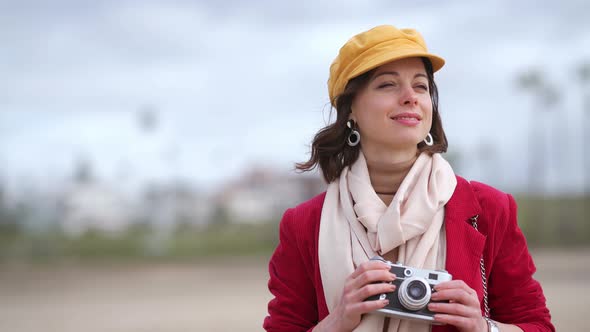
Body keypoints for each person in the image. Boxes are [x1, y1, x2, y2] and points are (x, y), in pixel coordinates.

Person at [263, 25, 554, 332]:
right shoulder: (305, 224)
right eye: (388, 85)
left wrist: (484, 328)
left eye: (421, 86)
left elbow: (538, 325)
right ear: (350, 109)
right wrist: (336, 322)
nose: (410, 97)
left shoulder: (489, 210)